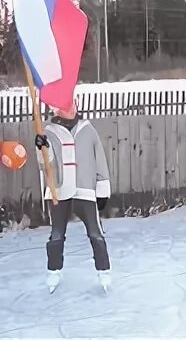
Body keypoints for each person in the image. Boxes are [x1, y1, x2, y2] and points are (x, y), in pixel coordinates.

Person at [35, 102, 112, 293]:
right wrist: (41, 149)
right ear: (56, 108)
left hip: (85, 189)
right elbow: (46, 165)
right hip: (59, 189)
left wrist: (102, 188)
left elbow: (99, 159)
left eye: (73, 103)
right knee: (57, 234)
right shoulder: (49, 131)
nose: (72, 108)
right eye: (66, 105)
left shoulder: (88, 130)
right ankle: (54, 271)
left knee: (95, 232)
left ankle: (104, 271)